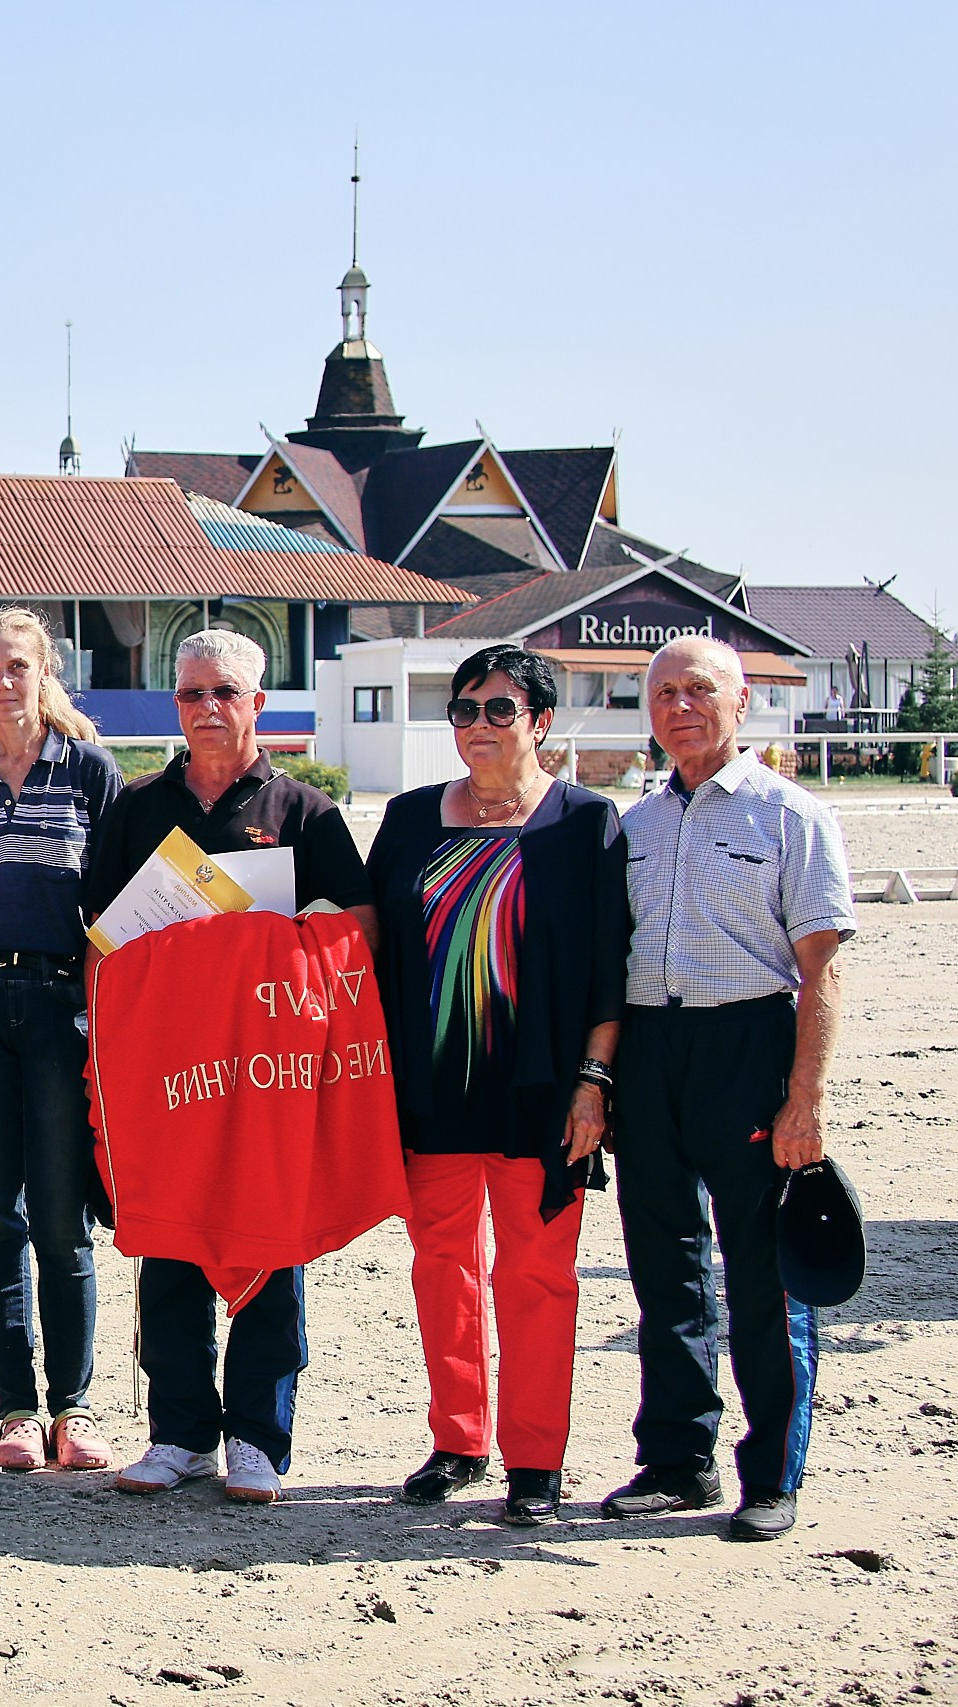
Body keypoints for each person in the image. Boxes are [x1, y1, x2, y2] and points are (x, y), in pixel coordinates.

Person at [80, 628, 375, 1504]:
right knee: (168, 1238)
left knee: (267, 1241)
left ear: (258, 703)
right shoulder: (136, 806)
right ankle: (179, 1433)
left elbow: (357, 930)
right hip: (166, 1069)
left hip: (264, 1077)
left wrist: (263, 942)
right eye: (191, 693)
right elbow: (97, 938)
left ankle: (258, 1436)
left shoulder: (304, 812)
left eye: (225, 692)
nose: (207, 708)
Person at [365, 645, 629, 1527]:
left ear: (541, 720)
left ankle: (536, 1459)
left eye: (500, 709)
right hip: (431, 1093)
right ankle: (459, 1438)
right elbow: (362, 945)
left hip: (543, 1094)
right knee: (443, 1270)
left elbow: (608, 973)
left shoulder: (586, 823)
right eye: (465, 709)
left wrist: (594, 1083)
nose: (478, 725)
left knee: (538, 1278)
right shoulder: (405, 820)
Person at [603, 636, 853, 1542]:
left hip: (749, 1047)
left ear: (741, 700)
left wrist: (805, 1098)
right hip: (650, 1051)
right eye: (663, 692)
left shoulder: (792, 816)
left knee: (760, 1273)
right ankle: (677, 1459)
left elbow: (819, 971)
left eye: (699, 689)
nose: (679, 706)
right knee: (663, 1270)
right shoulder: (635, 827)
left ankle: (772, 1474)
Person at [0, 608, 123, 1474]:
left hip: (59, 1004)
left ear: (45, 671)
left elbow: (115, 912)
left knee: (63, 1219)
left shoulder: (92, 771)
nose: (1, 681)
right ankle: (15, 1409)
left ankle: (73, 1407)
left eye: (16, 666)